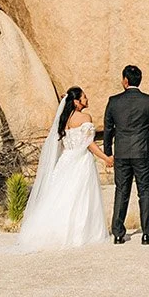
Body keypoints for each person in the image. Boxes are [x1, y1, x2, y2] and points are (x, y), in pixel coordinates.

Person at [16, 85, 110, 252]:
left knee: (60, 196)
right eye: (84, 97)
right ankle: (79, 235)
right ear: (76, 101)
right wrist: (106, 158)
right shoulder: (85, 117)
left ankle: (50, 232)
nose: (87, 99)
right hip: (80, 161)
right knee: (80, 198)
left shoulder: (62, 119)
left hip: (65, 160)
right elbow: (89, 144)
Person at [103, 64, 149, 245]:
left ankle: (119, 234)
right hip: (142, 152)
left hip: (121, 152)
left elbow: (108, 129)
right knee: (144, 192)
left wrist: (108, 152)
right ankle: (147, 234)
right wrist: (146, 138)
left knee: (121, 191)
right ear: (139, 80)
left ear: (125, 81)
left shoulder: (113, 101)